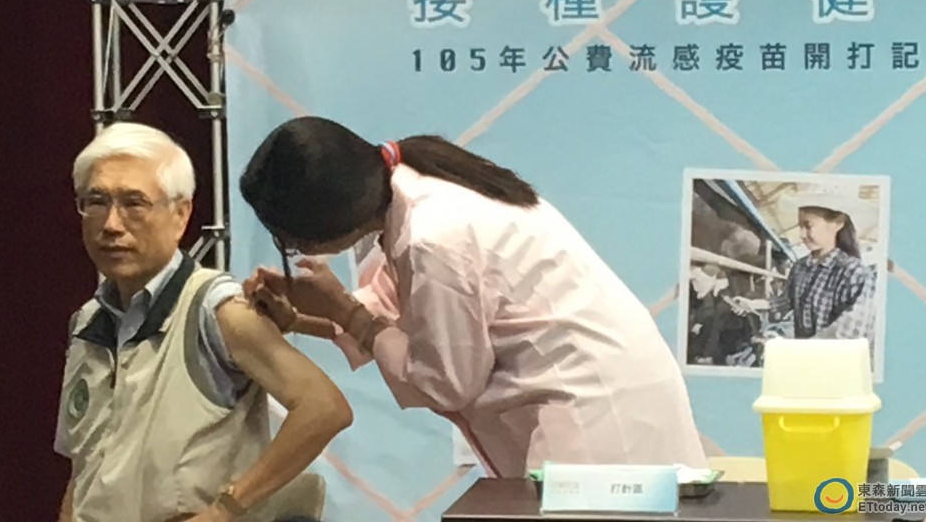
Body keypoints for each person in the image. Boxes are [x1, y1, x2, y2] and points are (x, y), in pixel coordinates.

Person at [237, 116, 708, 478]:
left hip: (594, 415)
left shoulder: (433, 236)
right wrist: (302, 317)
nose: (295, 252)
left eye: (290, 242)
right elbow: (397, 315)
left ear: (328, 223)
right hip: (605, 387)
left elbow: (446, 380)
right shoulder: (414, 185)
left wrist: (343, 308)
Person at [55, 122, 353, 522]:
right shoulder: (87, 323)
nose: (111, 224)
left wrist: (224, 510)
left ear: (181, 215)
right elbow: (83, 467)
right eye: (96, 201)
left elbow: (324, 408)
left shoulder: (217, 309)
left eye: (134, 203)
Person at [731, 192, 876, 352]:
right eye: (800, 226)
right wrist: (752, 304)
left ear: (837, 223)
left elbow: (850, 335)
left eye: (808, 226)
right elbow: (787, 301)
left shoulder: (855, 273)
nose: (801, 234)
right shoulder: (800, 267)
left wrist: (791, 348)